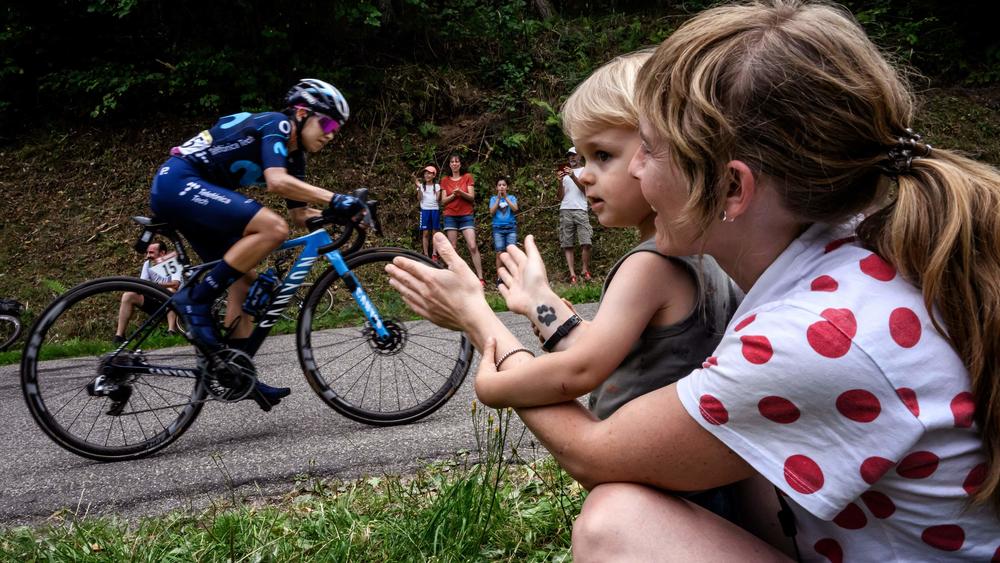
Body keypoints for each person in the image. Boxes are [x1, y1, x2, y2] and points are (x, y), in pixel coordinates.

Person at [386, 1, 1000, 559]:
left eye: (647, 150)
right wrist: (545, 306)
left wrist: (479, 318)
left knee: (617, 523)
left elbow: (594, 452)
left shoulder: (818, 335)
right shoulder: (870, 241)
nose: (631, 170)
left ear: (732, 188)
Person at [150, 78, 368, 409]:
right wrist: (338, 199)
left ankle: (235, 371)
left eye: (336, 128)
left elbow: (301, 215)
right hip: (178, 181)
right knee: (272, 228)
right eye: (326, 122)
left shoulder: (295, 157)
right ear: (300, 113)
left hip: (192, 190)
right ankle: (193, 300)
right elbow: (276, 183)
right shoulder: (276, 124)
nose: (331, 132)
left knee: (245, 282)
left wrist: (343, 215)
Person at [114, 240, 180, 344]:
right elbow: (143, 286)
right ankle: (119, 336)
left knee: (170, 290)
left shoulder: (172, 262)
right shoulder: (147, 264)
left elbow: (176, 284)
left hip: (175, 303)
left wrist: (157, 285)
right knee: (128, 295)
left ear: (162, 253)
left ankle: (172, 330)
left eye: (151, 253)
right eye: (147, 252)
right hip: (155, 301)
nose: (148, 255)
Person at [440, 153, 485, 285]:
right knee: (452, 248)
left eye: (457, 161)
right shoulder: (445, 180)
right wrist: (454, 195)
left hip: (466, 215)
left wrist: (461, 193)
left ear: (460, 164)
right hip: (450, 216)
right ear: (449, 164)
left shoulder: (467, 177)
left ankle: (480, 278)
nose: (454, 164)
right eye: (452, 162)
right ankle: (456, 278)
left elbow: (471, 197)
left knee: (472, 245)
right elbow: (443, 201)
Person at [557, 147, 592, 284]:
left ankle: (585, 269)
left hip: (581, 210)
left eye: (574, 155)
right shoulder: (564, 174)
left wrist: (573, 176)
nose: (571, 158)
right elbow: (560, 197)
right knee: (568, 244)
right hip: (565, 210)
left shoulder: (585, 171)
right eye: (569, 156)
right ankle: (573, 274)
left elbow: (586, 190)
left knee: (586, 242)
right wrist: (560, 181)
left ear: (580, 156)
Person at [488, 177, 519, 284]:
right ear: (496, 187)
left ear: (507, 187)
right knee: (499, 253)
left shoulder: (512, 197)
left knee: (512, 252)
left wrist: (506, 198)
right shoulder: (493, 199)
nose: (502, 187)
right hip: (498, 229)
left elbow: (515, 209)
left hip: (511, 228)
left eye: (504, 185)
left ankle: (513, 277)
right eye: (499, 185)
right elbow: (491, 212)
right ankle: (500, 278)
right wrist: (498, 199)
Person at [414, 165, 442, 259]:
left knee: (435, 233)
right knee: (425, 233)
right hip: (424, 210)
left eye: (429, 173)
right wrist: (419, 188)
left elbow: (438, 199)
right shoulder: (421, 186)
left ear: (434, 175)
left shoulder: (437, 186)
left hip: (435, 210)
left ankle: (434, 254)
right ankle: (426, 254)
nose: (427, 175)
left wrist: (438, 193)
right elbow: (419, 198)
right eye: (426, 173)